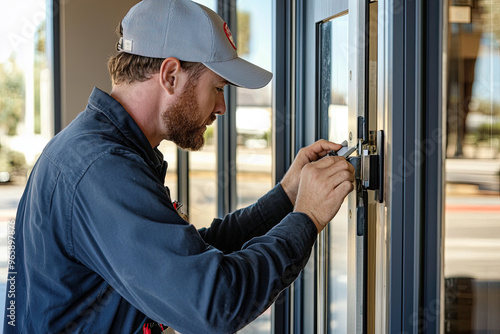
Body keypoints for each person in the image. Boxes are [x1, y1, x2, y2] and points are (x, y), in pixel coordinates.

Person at [4, 0, 354, 333]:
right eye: (217, 88)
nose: (222, 107)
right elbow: (215, 304)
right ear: (170, 75)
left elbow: (184, 260)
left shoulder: (101, 149)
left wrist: (288, 197)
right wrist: (307, 218)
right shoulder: (103, 169)